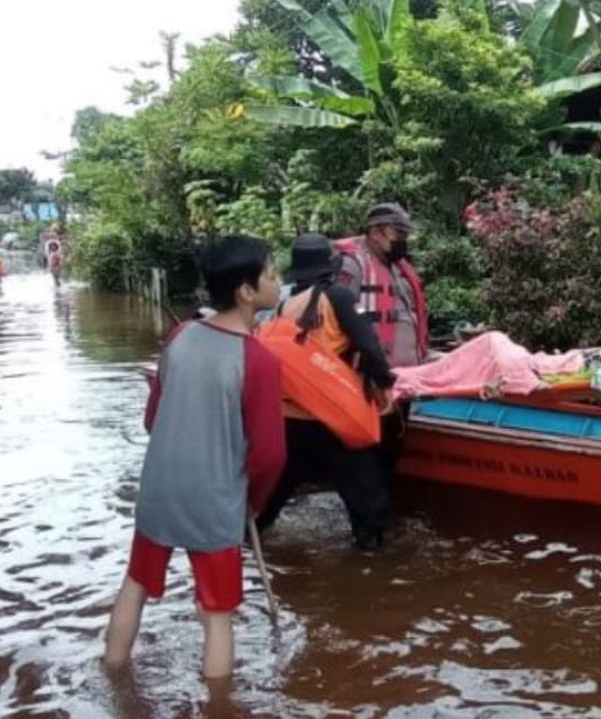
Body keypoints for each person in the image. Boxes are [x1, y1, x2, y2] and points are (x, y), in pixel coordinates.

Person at [103, 236, 285, 679]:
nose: (279, 281)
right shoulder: (259, 361)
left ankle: (112, 674)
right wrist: (254, 502)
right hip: (215, 501)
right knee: (218, 616)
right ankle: (218, 707)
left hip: (159, 491)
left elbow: (153, 418)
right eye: (273, 273)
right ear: (247, 291)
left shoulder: (181, 335)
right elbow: (269, 457)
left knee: (136, 583)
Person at [257, 233, 399, 551]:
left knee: (277, 489)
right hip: (332, 416)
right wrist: (385, 385)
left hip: (289, 417)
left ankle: (248, 539)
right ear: (330, 267)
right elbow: (369, 346)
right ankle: (372, 559)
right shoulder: (338, 297)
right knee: (368, 496)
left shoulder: (283, 305)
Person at [334, 203, 429, 369]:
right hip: (374, 376)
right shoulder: (353, 265)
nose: (403, 239)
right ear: (376, 233)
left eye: (405, 234)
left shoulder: (399, 267)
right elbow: (340, 317)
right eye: (398, 233)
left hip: (411, 374)